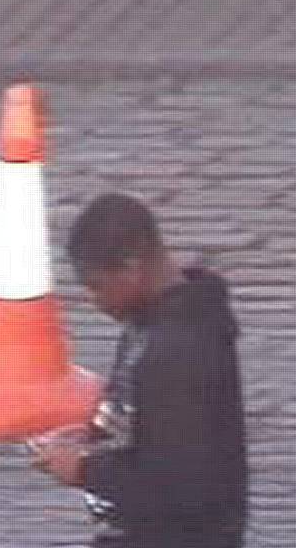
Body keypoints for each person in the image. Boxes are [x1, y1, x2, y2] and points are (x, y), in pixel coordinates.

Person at [32, 193, 247, 548]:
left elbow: (183, 487)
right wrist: (89, 435)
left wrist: (83, 470)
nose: (95, 301)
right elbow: (144, 423)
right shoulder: (149, 324)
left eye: (97, 286)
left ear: (132, 268)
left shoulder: (179, 349)